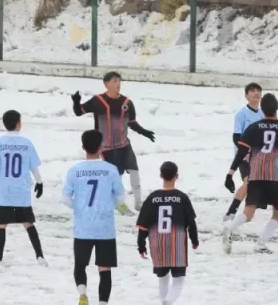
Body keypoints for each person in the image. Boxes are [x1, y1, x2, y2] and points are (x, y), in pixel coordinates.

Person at [221, 93, 278, 254]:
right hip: (275, 177)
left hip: (256, 175)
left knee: (249, 212)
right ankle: (261, 243)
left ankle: (230, 228)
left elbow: (241, 152)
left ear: (263, 110)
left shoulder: (253, 128)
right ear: (276, 108)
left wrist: (230, 174)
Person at [72, 71, 156, 215]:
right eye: (115, 81)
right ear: (106, 84)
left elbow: (132, 123)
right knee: (116, 176)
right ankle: (120, 204)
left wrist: (145, 132)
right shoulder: (98, 101)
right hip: (106, 147)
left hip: (124, 144)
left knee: (134, 170)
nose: (118, 84)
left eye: (119, 81)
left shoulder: (127, 103)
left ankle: (138, 202)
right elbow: (79, 112)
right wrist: (76, 102)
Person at [63, 130, 127, 305]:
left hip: (83, 227)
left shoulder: (75, 171)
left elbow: (66, 198)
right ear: (101, 147)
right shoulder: (111, 170)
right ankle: (103, 303)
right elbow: (121, 198)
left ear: (83, 147)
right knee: (104, 270)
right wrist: (110, 203)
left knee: (80, 265)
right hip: (105, 227)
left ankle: (83, 294)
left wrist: (79, 207)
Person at [0, 110, 46, 266]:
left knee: (1, 224)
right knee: (28, 222)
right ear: (19, 124)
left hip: (4, 190)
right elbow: (34, 166)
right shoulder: (26, 143)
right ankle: (39, 256)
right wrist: (39, 182)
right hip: (22, 190)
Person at [136, 162, 199, 305]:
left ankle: (164, 301)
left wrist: (141, 246)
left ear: (161, 176)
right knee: (179, 279)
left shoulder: (152, 198)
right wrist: (194, 240)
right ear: (177, 176)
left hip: (157, 243)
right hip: (177, 244)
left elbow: (143, 225)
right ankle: (168, 302)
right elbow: (191, 223)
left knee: (163, 278)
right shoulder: (182, 198)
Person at [225, 83, 264, 221]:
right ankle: (231, 213)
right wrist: (246, 152)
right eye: (252, 91)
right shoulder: (241, 114)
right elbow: (236, 137)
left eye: (258, 91)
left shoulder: (263, 114)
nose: (256, 93)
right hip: (244, 156)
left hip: (258, 156)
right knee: (248, 183)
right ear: (246, 96)